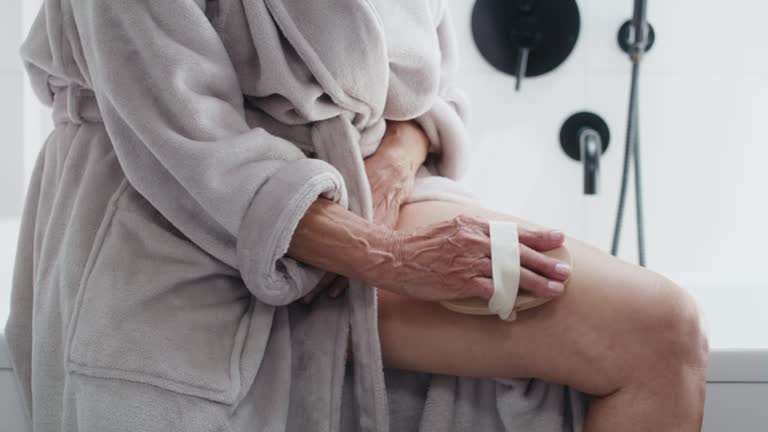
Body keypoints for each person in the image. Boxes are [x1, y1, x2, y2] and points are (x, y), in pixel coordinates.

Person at [5, 0, 708, 431]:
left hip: (368, 183)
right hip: (176, 207)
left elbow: (432, 89)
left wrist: (393, 170)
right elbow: (180, 134)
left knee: (660, 333)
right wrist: (387, 257)